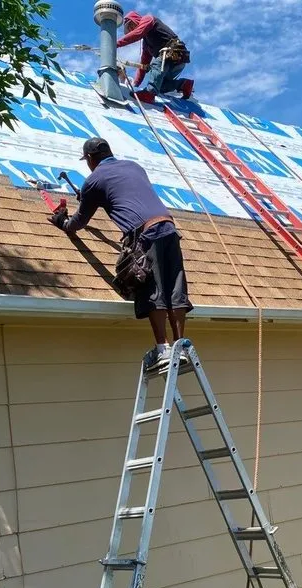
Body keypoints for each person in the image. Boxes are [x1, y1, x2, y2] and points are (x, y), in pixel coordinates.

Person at [48, 138, 192, 366]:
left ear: (90, 159)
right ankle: (180, 346)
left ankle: (163, 349)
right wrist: (95, 198)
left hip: (146, 234)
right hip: (169, 228)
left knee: (151, 288)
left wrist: (63, 223)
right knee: (176, 290)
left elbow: (79, 222)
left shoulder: (93, 181)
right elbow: (128, 193)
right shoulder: (134, 167)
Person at [117, 10, 194, 100]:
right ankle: (184, 84)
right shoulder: (147, 45)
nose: (131, 30)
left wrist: (116, 44)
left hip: (174, 53)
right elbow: (143, 66)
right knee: (160, 86)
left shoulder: (148, 19)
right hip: (175, 62)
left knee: (156, 65)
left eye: (130, 26)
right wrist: (135, 85)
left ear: (135, 20)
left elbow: (137, 33)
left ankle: (150, 93)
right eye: (129, 29)